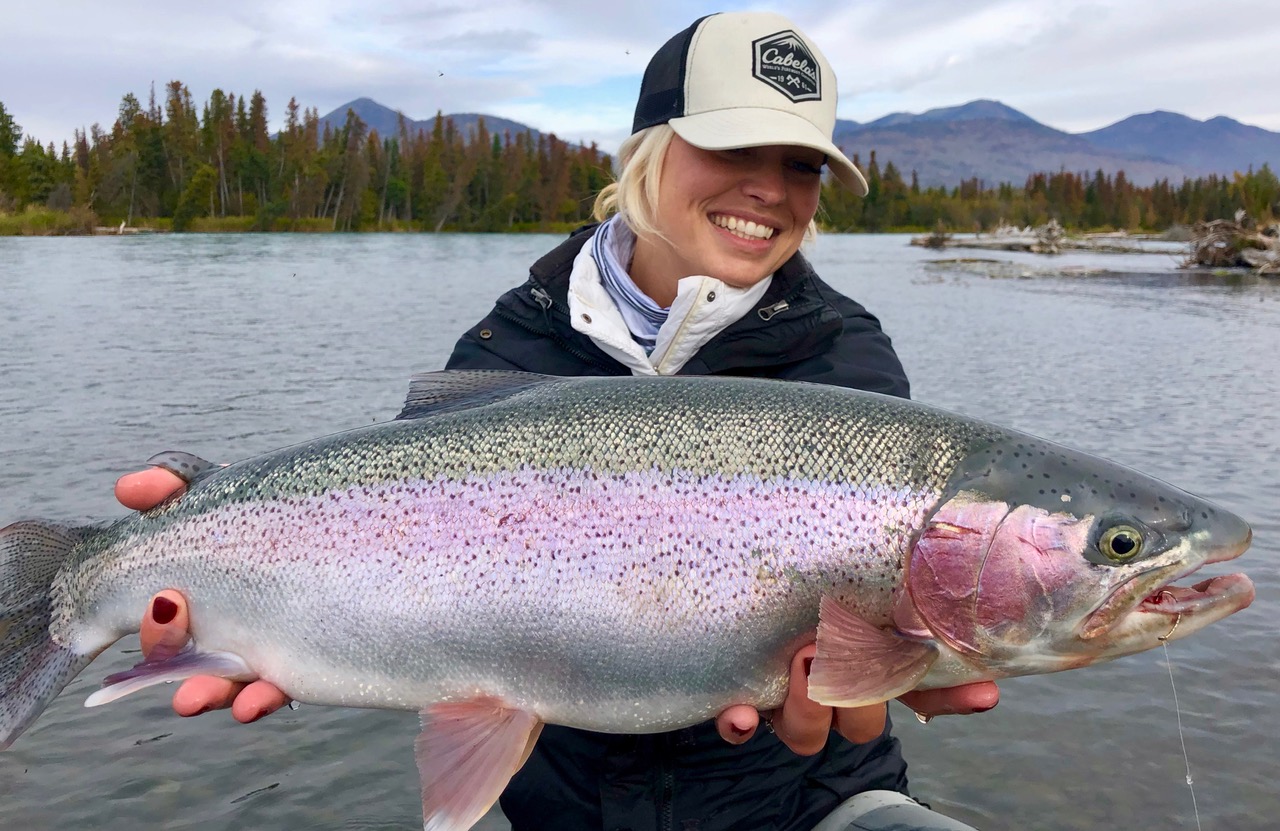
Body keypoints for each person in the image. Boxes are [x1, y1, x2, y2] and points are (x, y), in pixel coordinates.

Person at [117, 12, 999, 831]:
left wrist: (896, 670)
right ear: (651, 150)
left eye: (801, 165)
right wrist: (228, 556)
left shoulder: (847, 361)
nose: (770, 189)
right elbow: (382, 561)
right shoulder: (509, 344)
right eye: (734, 146)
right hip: (566, 808)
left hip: (807, 803)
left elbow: (880, 637)